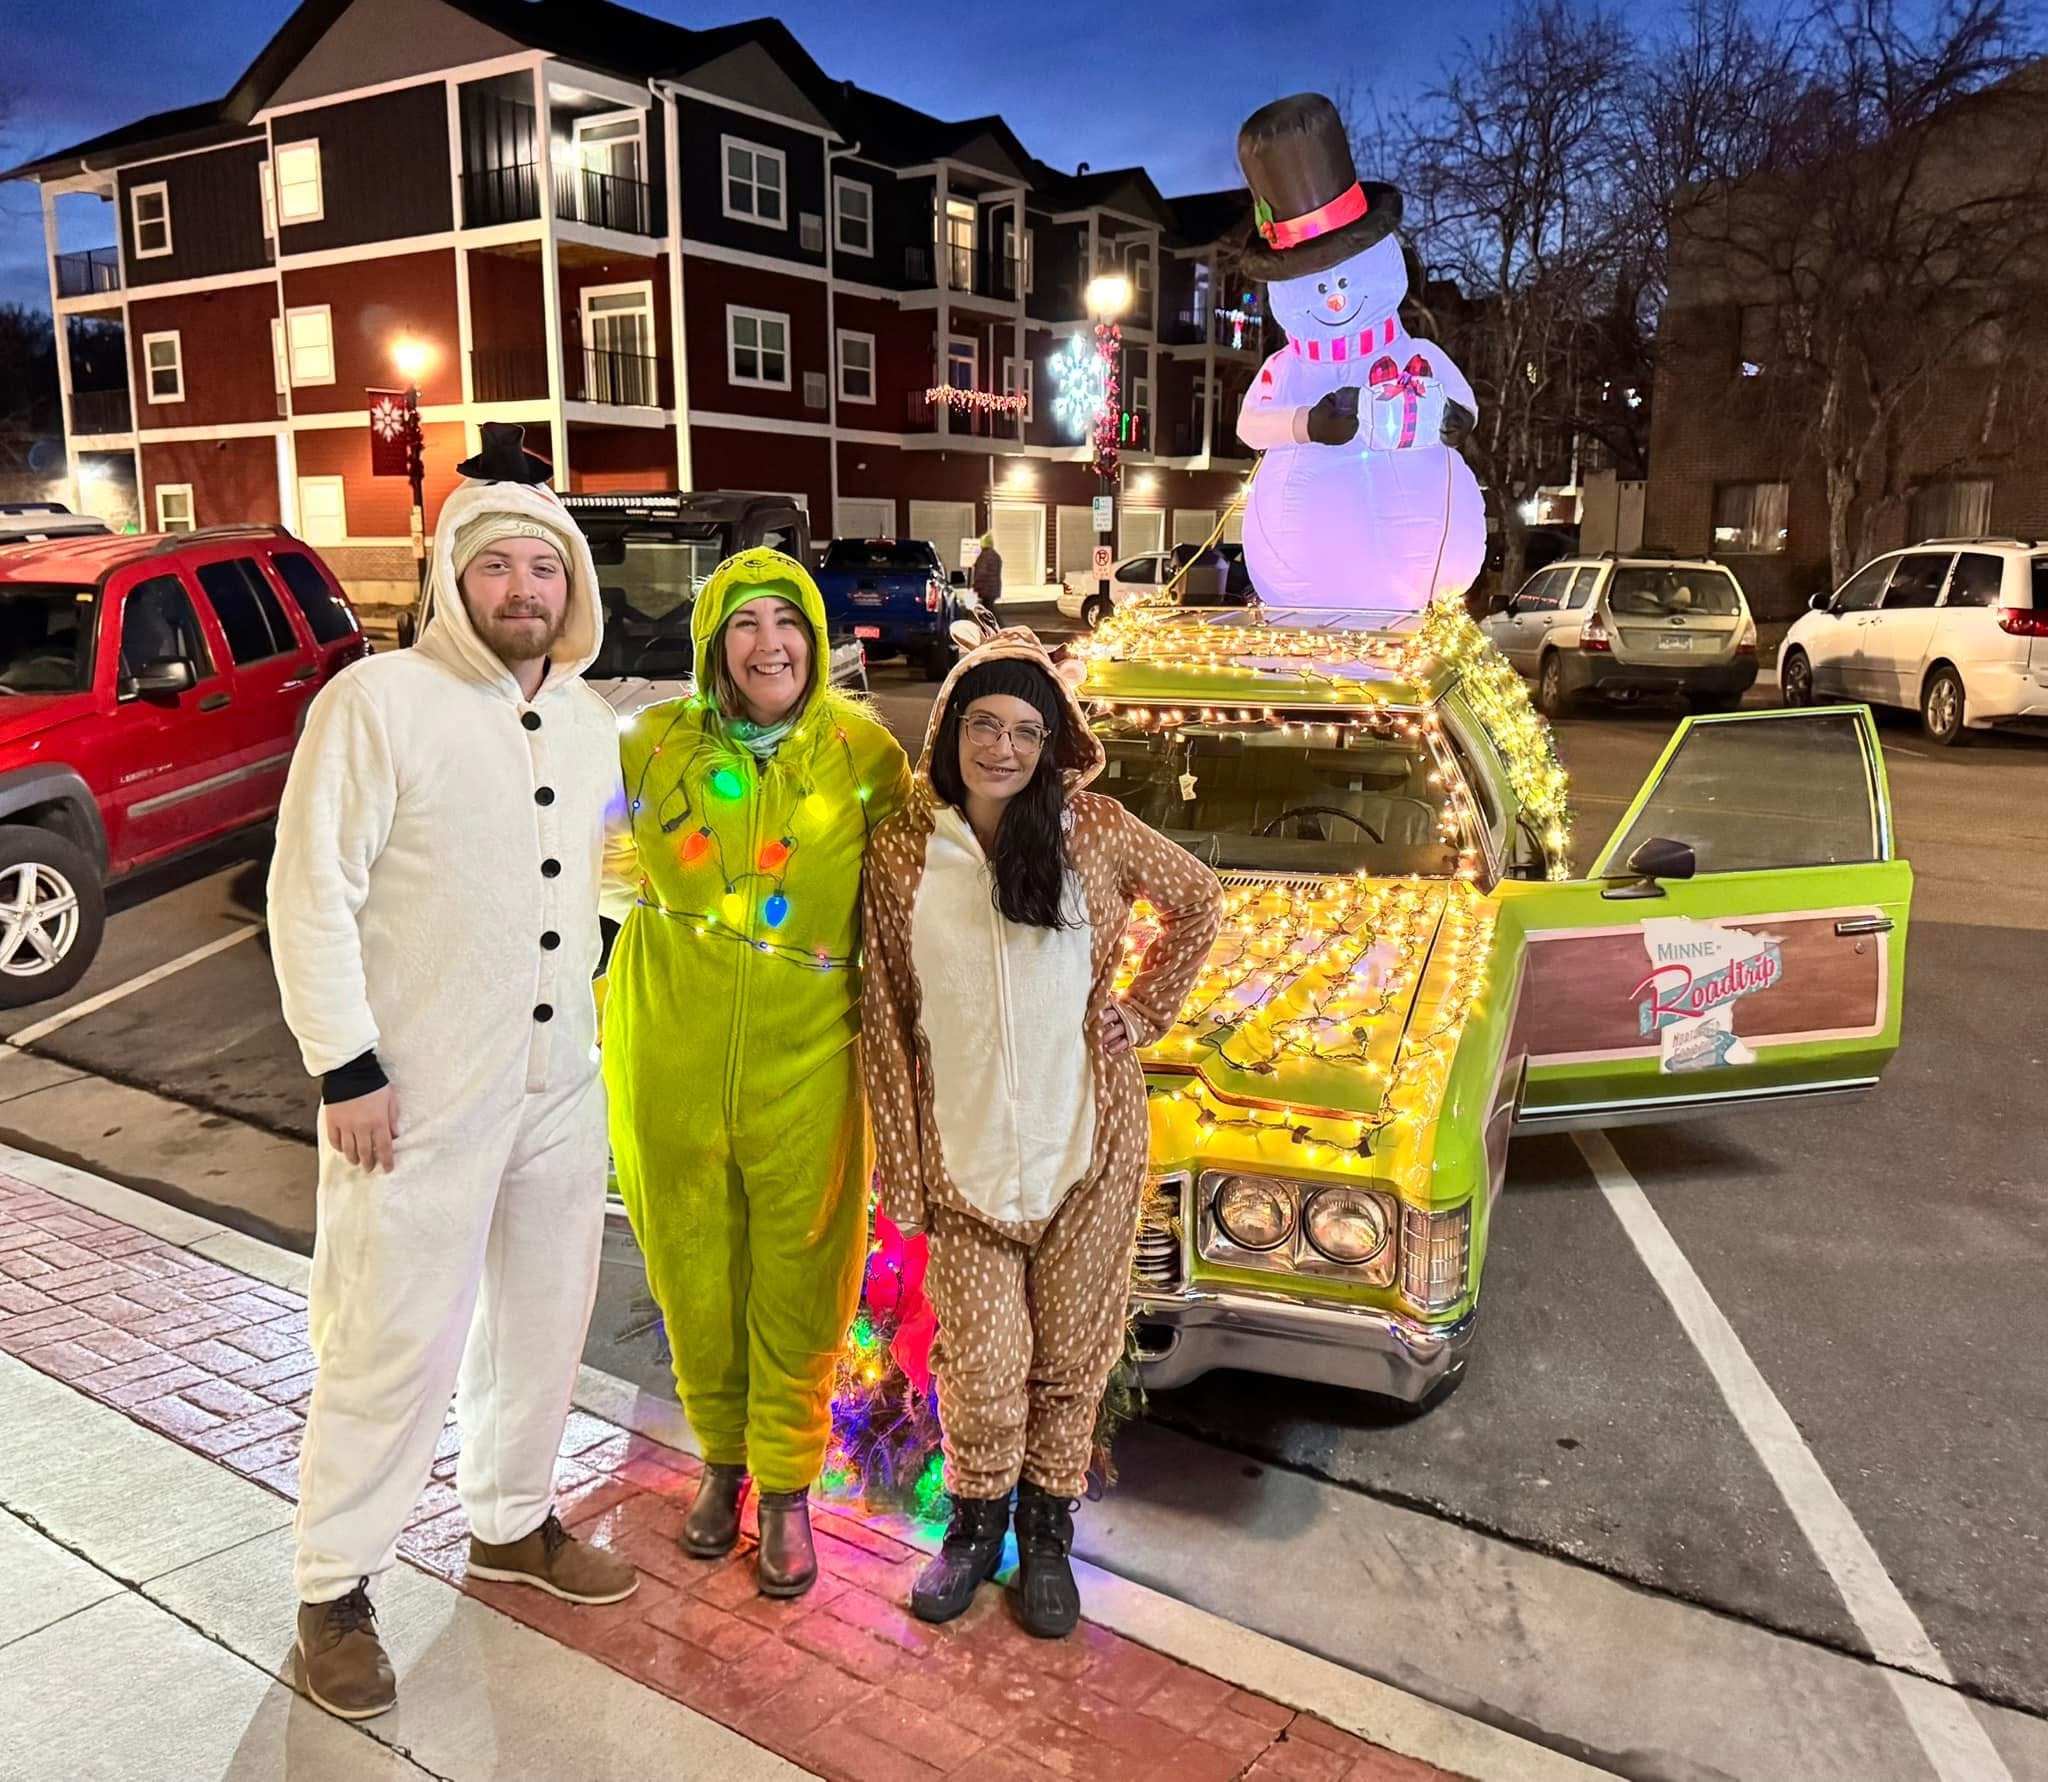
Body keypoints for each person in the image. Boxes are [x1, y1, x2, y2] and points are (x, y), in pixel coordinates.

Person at [269, 424, 636, 1724]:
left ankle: (511, 1519)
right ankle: (331, 1584)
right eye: (498, 569)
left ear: (572, 586)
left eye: (546, 568)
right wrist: (345, 1063)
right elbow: (308, 888)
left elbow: (601, 874)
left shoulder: (594, 723)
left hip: (556, 1085)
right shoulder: (376, 704)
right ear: (456, 579)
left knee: (544, 1317)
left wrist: (596, 939)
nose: (523, 590)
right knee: (390, 1337)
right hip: (409, 1095)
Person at [860, 629, 1222, 1637]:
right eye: (984, 724)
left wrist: (1142, 1014)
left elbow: (1197, 902)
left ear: (1052, 741)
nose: (1004, 748)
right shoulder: (899, 848)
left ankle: (1047, 1534)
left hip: (1087, 1149)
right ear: (950, 731)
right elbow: (884, 1015)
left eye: (1026, 729)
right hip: (960, 1153)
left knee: (1070, 1354)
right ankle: (974, 1531)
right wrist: (899, 1166)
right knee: (977, 1359)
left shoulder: (1093, 830)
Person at [603, 547, 911, 1598]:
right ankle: (720, 1463)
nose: (768, 643)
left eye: (788, 622)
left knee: (799, 1277)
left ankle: (784, 1487)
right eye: (744, 623)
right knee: (691, 1276)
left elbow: (920, 908)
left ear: (816, 641)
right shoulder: (646, 747)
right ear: (712, 644)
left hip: (809, 1069)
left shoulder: (865, 759)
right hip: (668, 1064)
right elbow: (541, 852)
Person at [971, 530, 1004, 613]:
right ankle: (990, 625)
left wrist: (976, 587)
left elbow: (981, 573)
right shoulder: (995, 555)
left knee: (988, 610)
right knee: (987, 609)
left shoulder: (984, 556)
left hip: (986, 589)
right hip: (993, 588)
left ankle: (999, 625)